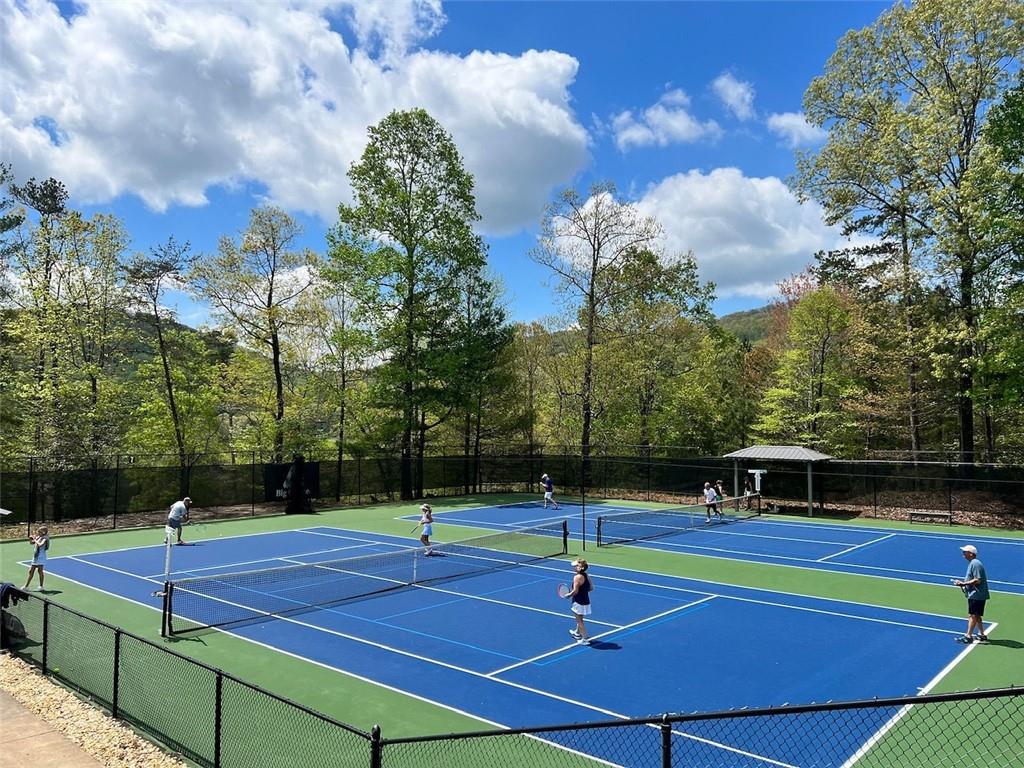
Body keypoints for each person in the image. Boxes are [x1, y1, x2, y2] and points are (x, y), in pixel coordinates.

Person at [953, 544, 990, 643]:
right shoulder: (974, 563)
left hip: (977, 595)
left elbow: (977, 580)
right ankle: (982, 635)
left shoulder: (975, 564)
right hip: (977, 594)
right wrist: (962, 583)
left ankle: (968, 636)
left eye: (965, 552)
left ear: (971, 554)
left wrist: (963, 583)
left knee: (972, 615)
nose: (963, 554)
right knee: (977, 615)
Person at [565, 559, 593, 645]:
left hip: (578, 602)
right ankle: (577, 633)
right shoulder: (587, 575)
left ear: (581, 568)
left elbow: (575, 591)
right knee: (581, 618)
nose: (574, 567)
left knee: (579, 621)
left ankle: (585, 639)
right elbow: (591, 588)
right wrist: (583, 590)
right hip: (586, 601)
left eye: (576, 566)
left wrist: (568, 595)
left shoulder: (577, 577)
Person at [22, 527, 49, 591]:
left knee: (40, 571)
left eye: (39, 532)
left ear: (43, 532)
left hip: (41, 557)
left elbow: (40, 544)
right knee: (31, 571)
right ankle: (26, 586)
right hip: (35, 556)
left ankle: (41, 586)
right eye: (38, 531)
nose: (38, 533)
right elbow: (32, 543)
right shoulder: (38, 537)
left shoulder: (45, 538)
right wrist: (30, 539)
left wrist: (35, 539)